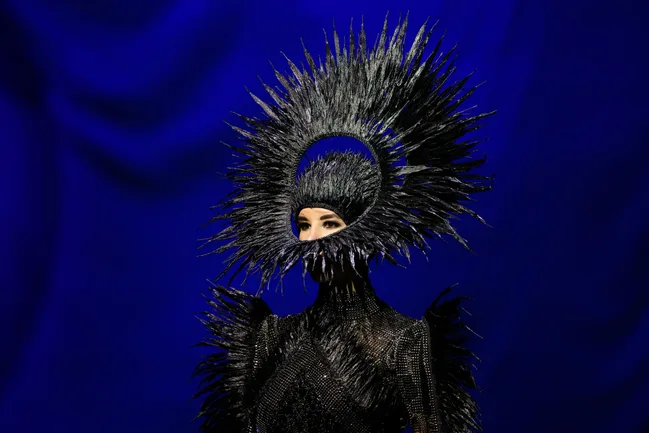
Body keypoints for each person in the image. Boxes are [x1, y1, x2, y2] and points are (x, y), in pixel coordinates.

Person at [193, 14, 494, 433]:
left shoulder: (403, 343)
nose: (312, 239)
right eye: (304, 224)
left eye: (330, 224)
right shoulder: (268, 338)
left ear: (367, 228)